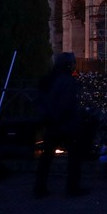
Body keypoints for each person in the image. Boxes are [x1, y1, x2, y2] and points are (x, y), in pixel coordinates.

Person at [34, 53, 89, 198]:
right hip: (65, 124)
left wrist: (46, 117)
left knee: (46, 157)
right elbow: (68, 103)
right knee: (74, 157)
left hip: (50, 122)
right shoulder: (68, 81)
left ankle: (39, 188)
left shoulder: (47, 80)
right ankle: (72, 187)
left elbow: (39, 101)